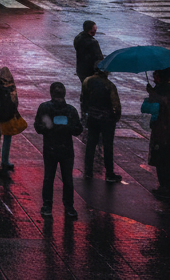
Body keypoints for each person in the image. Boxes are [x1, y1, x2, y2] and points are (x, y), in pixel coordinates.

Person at [34, 81, 83, 218]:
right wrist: (66, 128)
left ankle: (47, 206)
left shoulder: (44, 108)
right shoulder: (71, 110)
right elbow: (78, 130)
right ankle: (69, 206)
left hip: (50, 149)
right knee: (67, 179)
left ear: (51, 93)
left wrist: (51, 128)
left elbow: (38, 128)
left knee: (48, 178)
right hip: (66, 150)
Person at [81, 66, 122, 182]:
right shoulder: (109, 85)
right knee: (107, 146)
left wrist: (86, 112)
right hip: (107, 120)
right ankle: (109, 173)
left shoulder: (87, 81)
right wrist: (116, 117)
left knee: (90, 144)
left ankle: (88, 171)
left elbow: (83, 98)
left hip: (93, 117)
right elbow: (116, 105)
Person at [142, 67, 170, 198]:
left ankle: (164, 186)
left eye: (155, 74)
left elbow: (148, 108)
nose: (153, 77)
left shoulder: (160, 90)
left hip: (161, 130)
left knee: (161, 159)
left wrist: (151, 94)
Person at [0, 66, 21, 172]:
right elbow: (15, 100)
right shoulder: (11, 86)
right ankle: (4, 160)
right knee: (7, 138)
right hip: (8, 116)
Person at [73, 20, 104, 86]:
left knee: (84, 87)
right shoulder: (93, 42)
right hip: (90, 71)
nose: (96, 30)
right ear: (91, 30)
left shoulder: (78, 38)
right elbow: (98, 58)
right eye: (95, 28)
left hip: (80, 69)